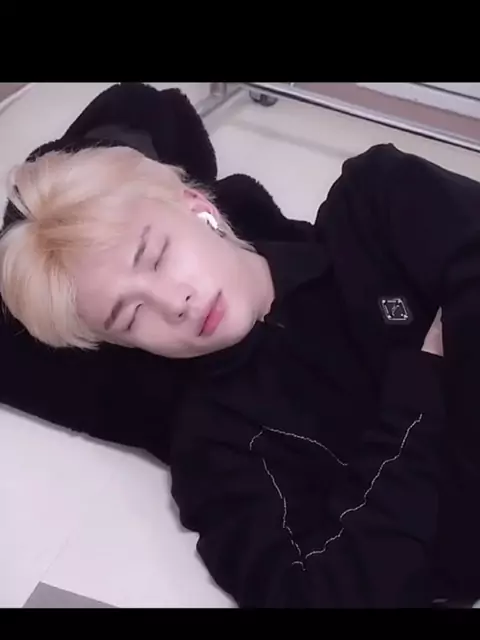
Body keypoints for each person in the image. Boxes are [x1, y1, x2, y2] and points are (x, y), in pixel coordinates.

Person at [0, 142, 478, 608]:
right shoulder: (215, 450)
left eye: (157, 256)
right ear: (123, 344)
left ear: (197, 206)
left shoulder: (374, 204)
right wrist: (422, 388)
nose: (174, 302)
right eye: (131, 315)